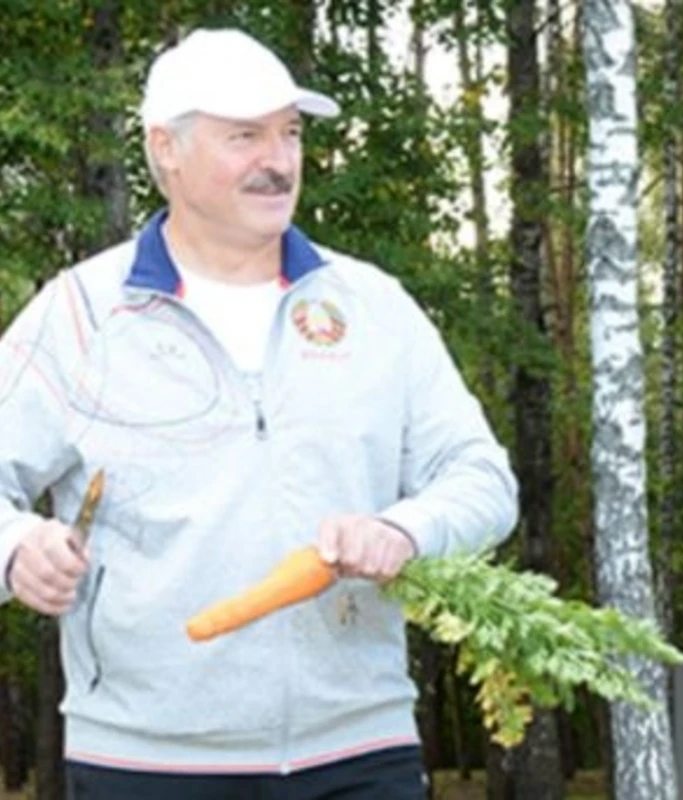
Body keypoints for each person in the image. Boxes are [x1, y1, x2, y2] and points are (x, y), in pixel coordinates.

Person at [0, 28, 518, 800]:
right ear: (165, 149)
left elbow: (484, 480)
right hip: (147, 764)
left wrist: (404, 529)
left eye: (290, 132)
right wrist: (17, 547)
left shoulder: (373, 306)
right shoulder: (79, 316)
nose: (278, 160)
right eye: (245, 135)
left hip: (362, 753)